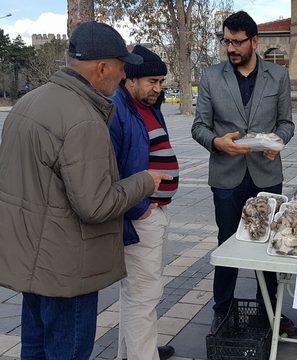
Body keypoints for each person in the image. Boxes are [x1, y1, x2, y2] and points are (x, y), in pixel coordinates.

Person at [0, 21, 171, 359]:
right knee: (68, 351)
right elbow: (95, 205)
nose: (123, 77)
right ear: (102, 67)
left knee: (34, 347)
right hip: (66, 268)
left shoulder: (27, 104)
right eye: (122, 69)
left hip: (30, 259)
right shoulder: (84, 120)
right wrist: (145, 182)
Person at [191, 11, 296, 334]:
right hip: (226, 177)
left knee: (270, 246)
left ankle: (270, 314)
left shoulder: (277, 77)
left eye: (238, 42)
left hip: (266, 174)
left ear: (254, 42)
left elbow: (286, 124)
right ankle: (221, 312)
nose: (231, 48)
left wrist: (277, 141)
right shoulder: (211, 77)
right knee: (227, 243)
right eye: (227, 42)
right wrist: (218, 143)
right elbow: (199, 127)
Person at [110, 45, 178, 360]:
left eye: (161, 82)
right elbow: (115, 169)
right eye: (153, 81)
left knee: (137, 294)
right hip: (140, 215)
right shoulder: (119, 109)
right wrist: (141, 207)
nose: (158, 88)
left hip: (150, 211)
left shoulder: (146, 104)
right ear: (131, 79)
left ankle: (134, 352)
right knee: (144, 295)